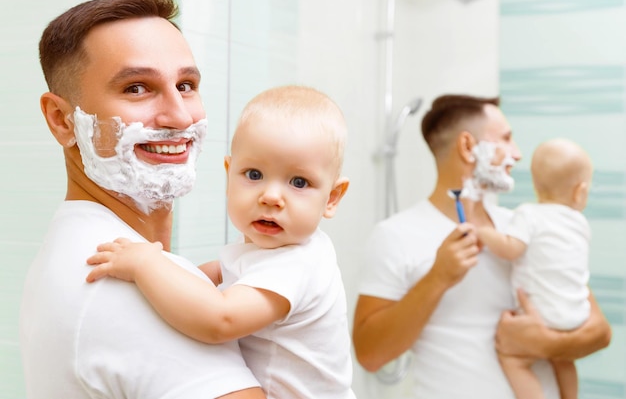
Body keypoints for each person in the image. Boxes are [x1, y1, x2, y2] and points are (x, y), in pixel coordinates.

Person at [19, 0, 266, 399]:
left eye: (186, 85)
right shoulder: (134, 282)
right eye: (137, 88)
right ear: (62, 120)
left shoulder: (74, 245)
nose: (180, 116)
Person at [85, 85, 356, 399]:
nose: (270, 197)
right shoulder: (265, 253)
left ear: (332, 198)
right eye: (254, 174)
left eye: (299, 182)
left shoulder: (296, 265)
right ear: (230, 176)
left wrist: (146, 265)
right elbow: (211, 276)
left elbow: (221, 320)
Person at [352, 94, 611, 398]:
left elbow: (600, 331)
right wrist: (438, 278)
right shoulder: (395, 236)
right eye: (506, 138)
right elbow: (370, 355)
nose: (517, 154)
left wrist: (544, 343)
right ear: (468, 147)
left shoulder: (524, 227)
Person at [477, 138, 594, 399]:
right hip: (575, 316)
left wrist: (484, 233)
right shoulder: (580, 224)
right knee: (564, 359)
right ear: (580, 192)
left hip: (543, 315)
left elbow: (511, 248)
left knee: (514, 359)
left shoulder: (529, 214)